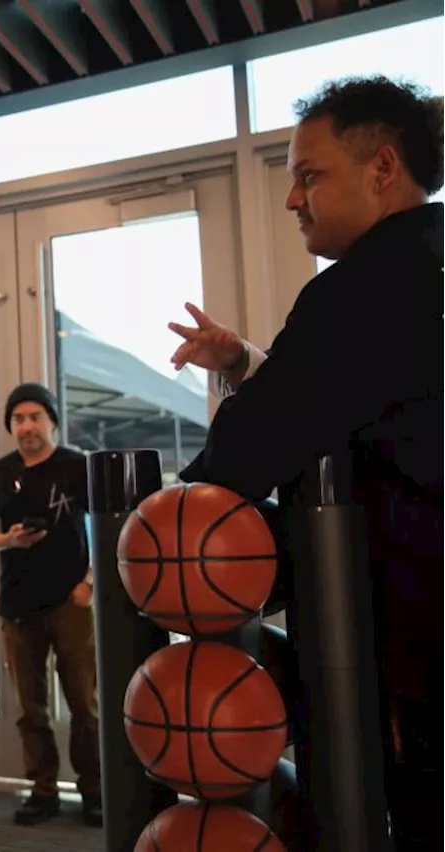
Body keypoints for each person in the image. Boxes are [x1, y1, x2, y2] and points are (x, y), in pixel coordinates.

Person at [170, 75, 443, 850]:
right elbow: (375, 406)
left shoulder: (357, 290)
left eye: (308, 174)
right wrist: (247, 362)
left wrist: (150, 528)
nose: (293, 199)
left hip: (407, 652)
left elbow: (239, 460)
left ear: (381, 168)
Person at [0, 383, 100, 827]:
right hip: (17, 604)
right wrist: (8, 540)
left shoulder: (77, 466)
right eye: (18, 419)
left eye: (34, 416)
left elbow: (108, 528)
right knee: (31, 709)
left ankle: (94, 792)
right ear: (11, 426)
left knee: (85, 705)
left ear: (51, 420)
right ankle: (42, 791)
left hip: (72, 601)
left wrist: (89, 583)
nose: (27, 426)